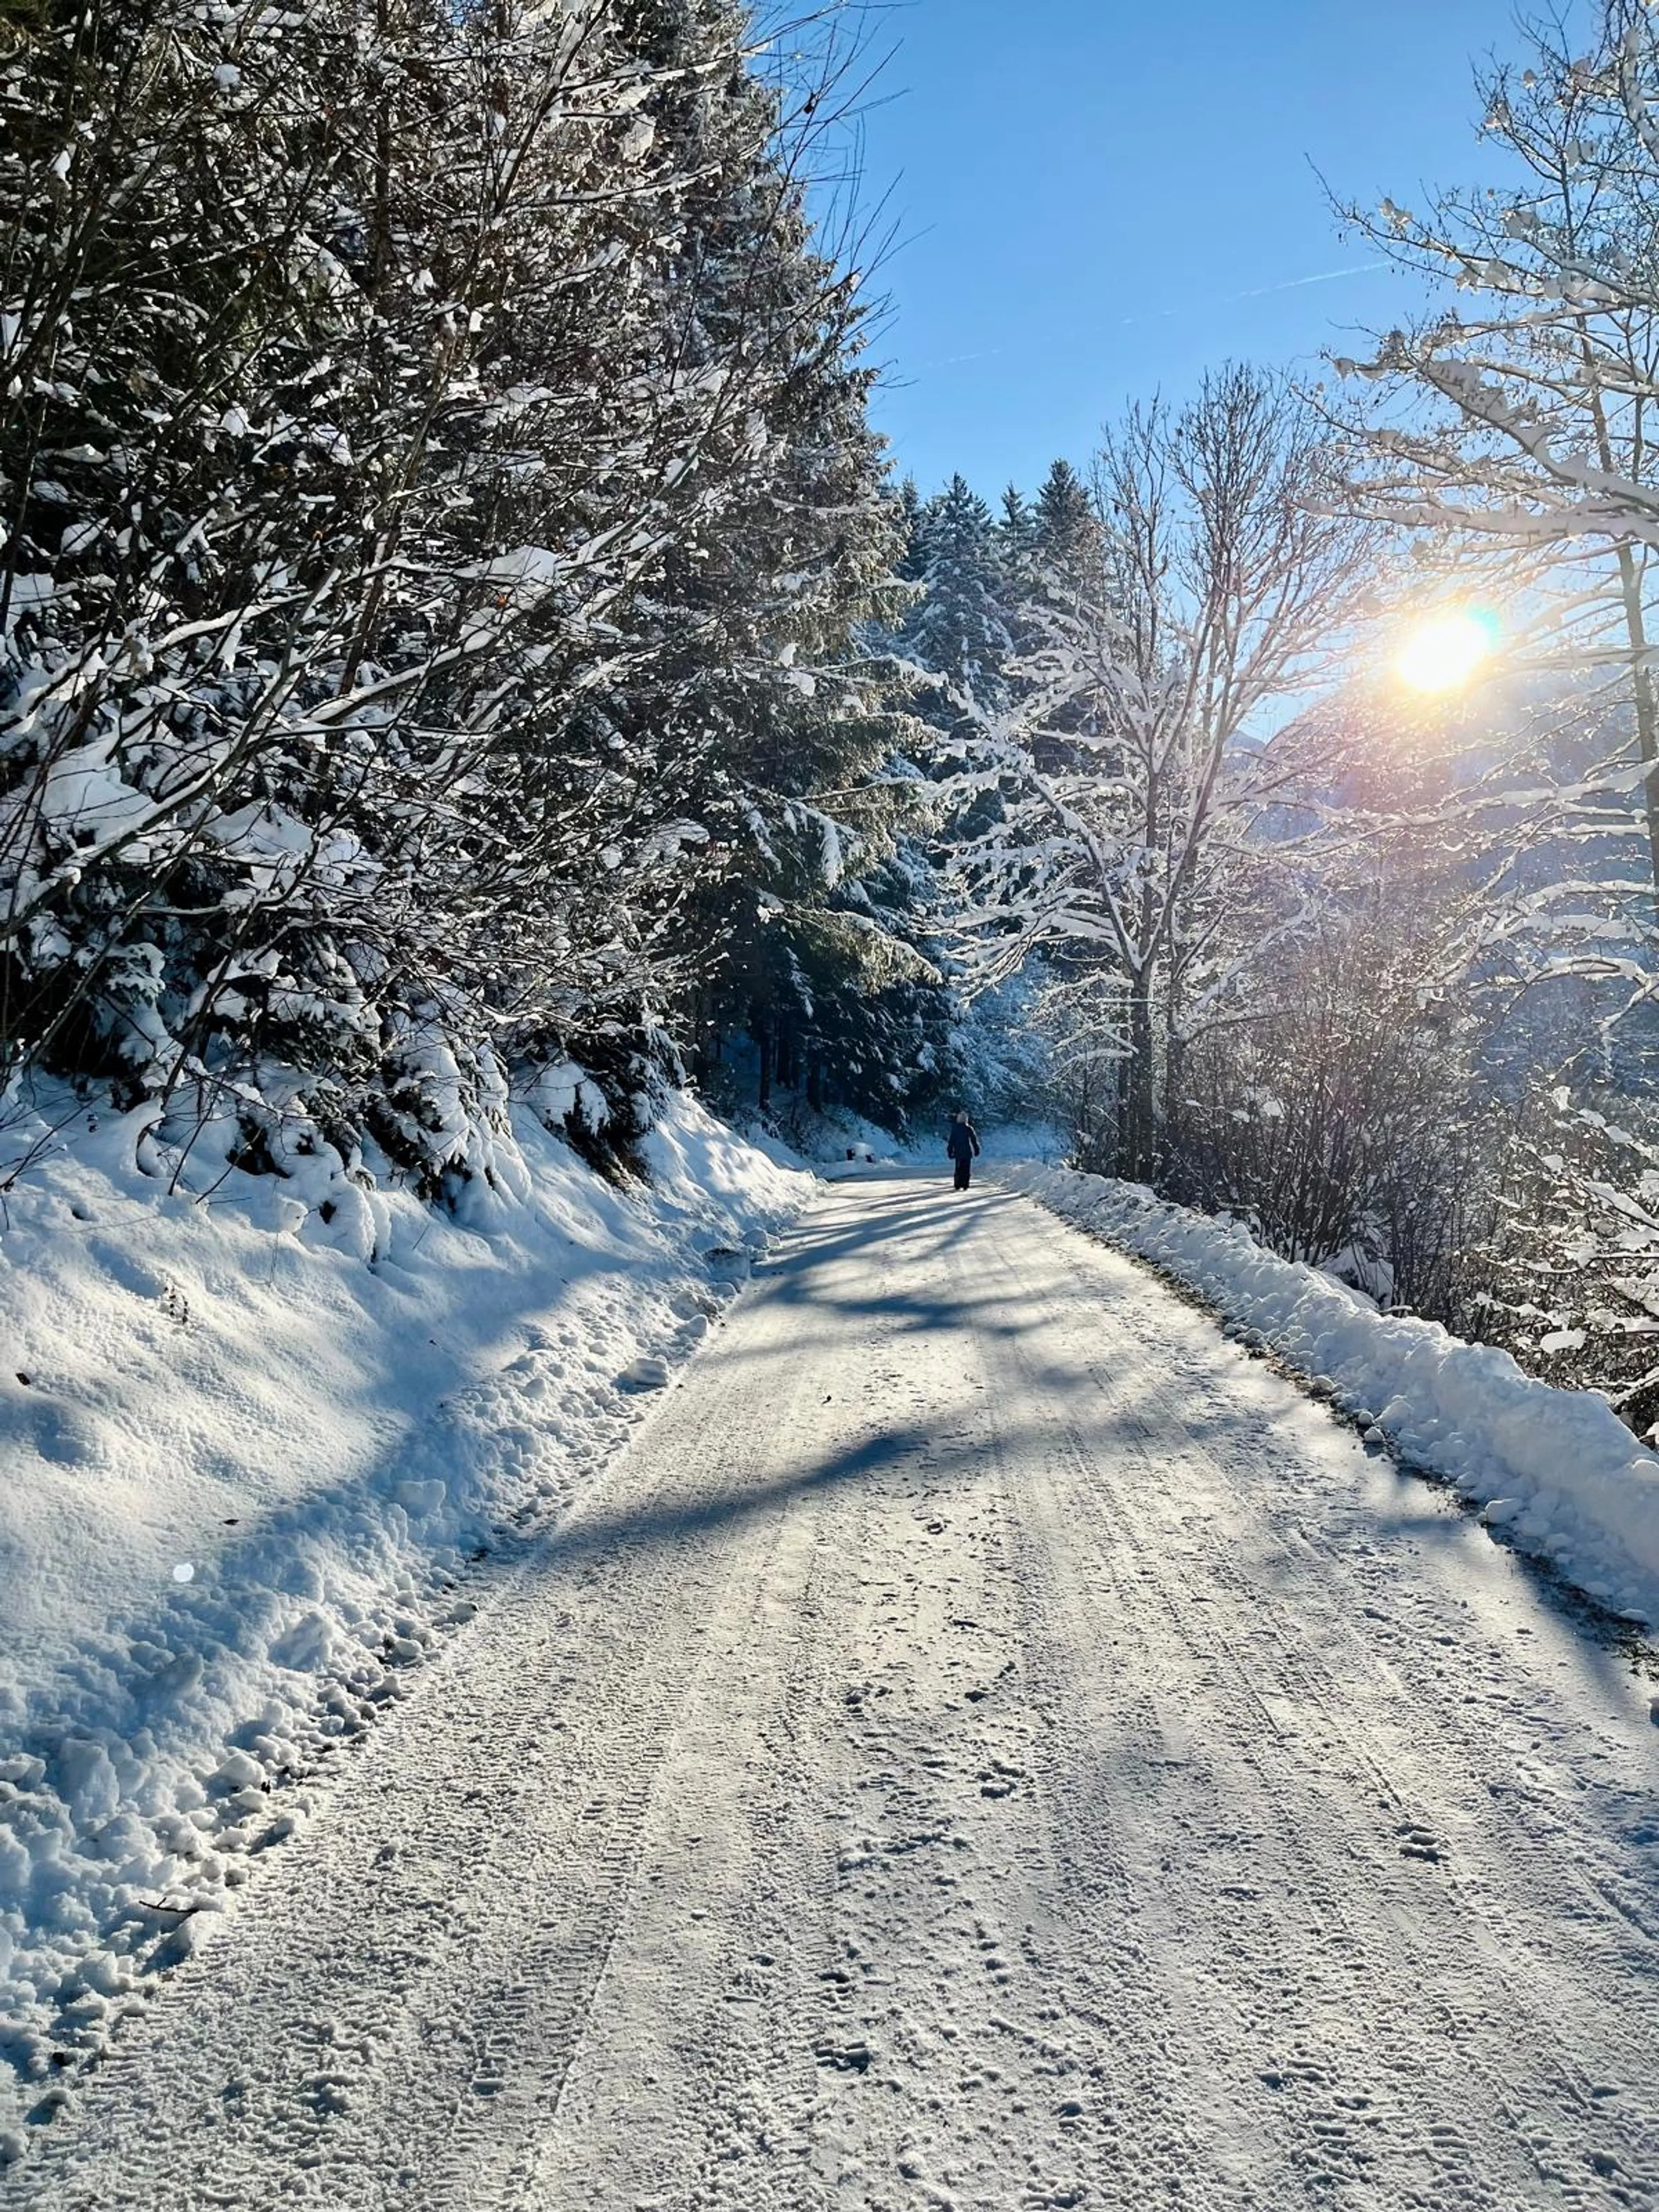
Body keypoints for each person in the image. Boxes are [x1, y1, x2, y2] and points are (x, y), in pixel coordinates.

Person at [946, 1109, 981, 1191]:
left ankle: (958, 1184)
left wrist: (950, 1151)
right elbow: (974, 1141)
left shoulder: (955, 1129)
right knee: (966, 1169)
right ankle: (965, 1184)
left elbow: (951, 1142)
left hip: (958, 1152)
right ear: (966, 1120)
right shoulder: (969, 1129)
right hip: (967, 1152)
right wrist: (977, 1150)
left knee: (959, 1169)